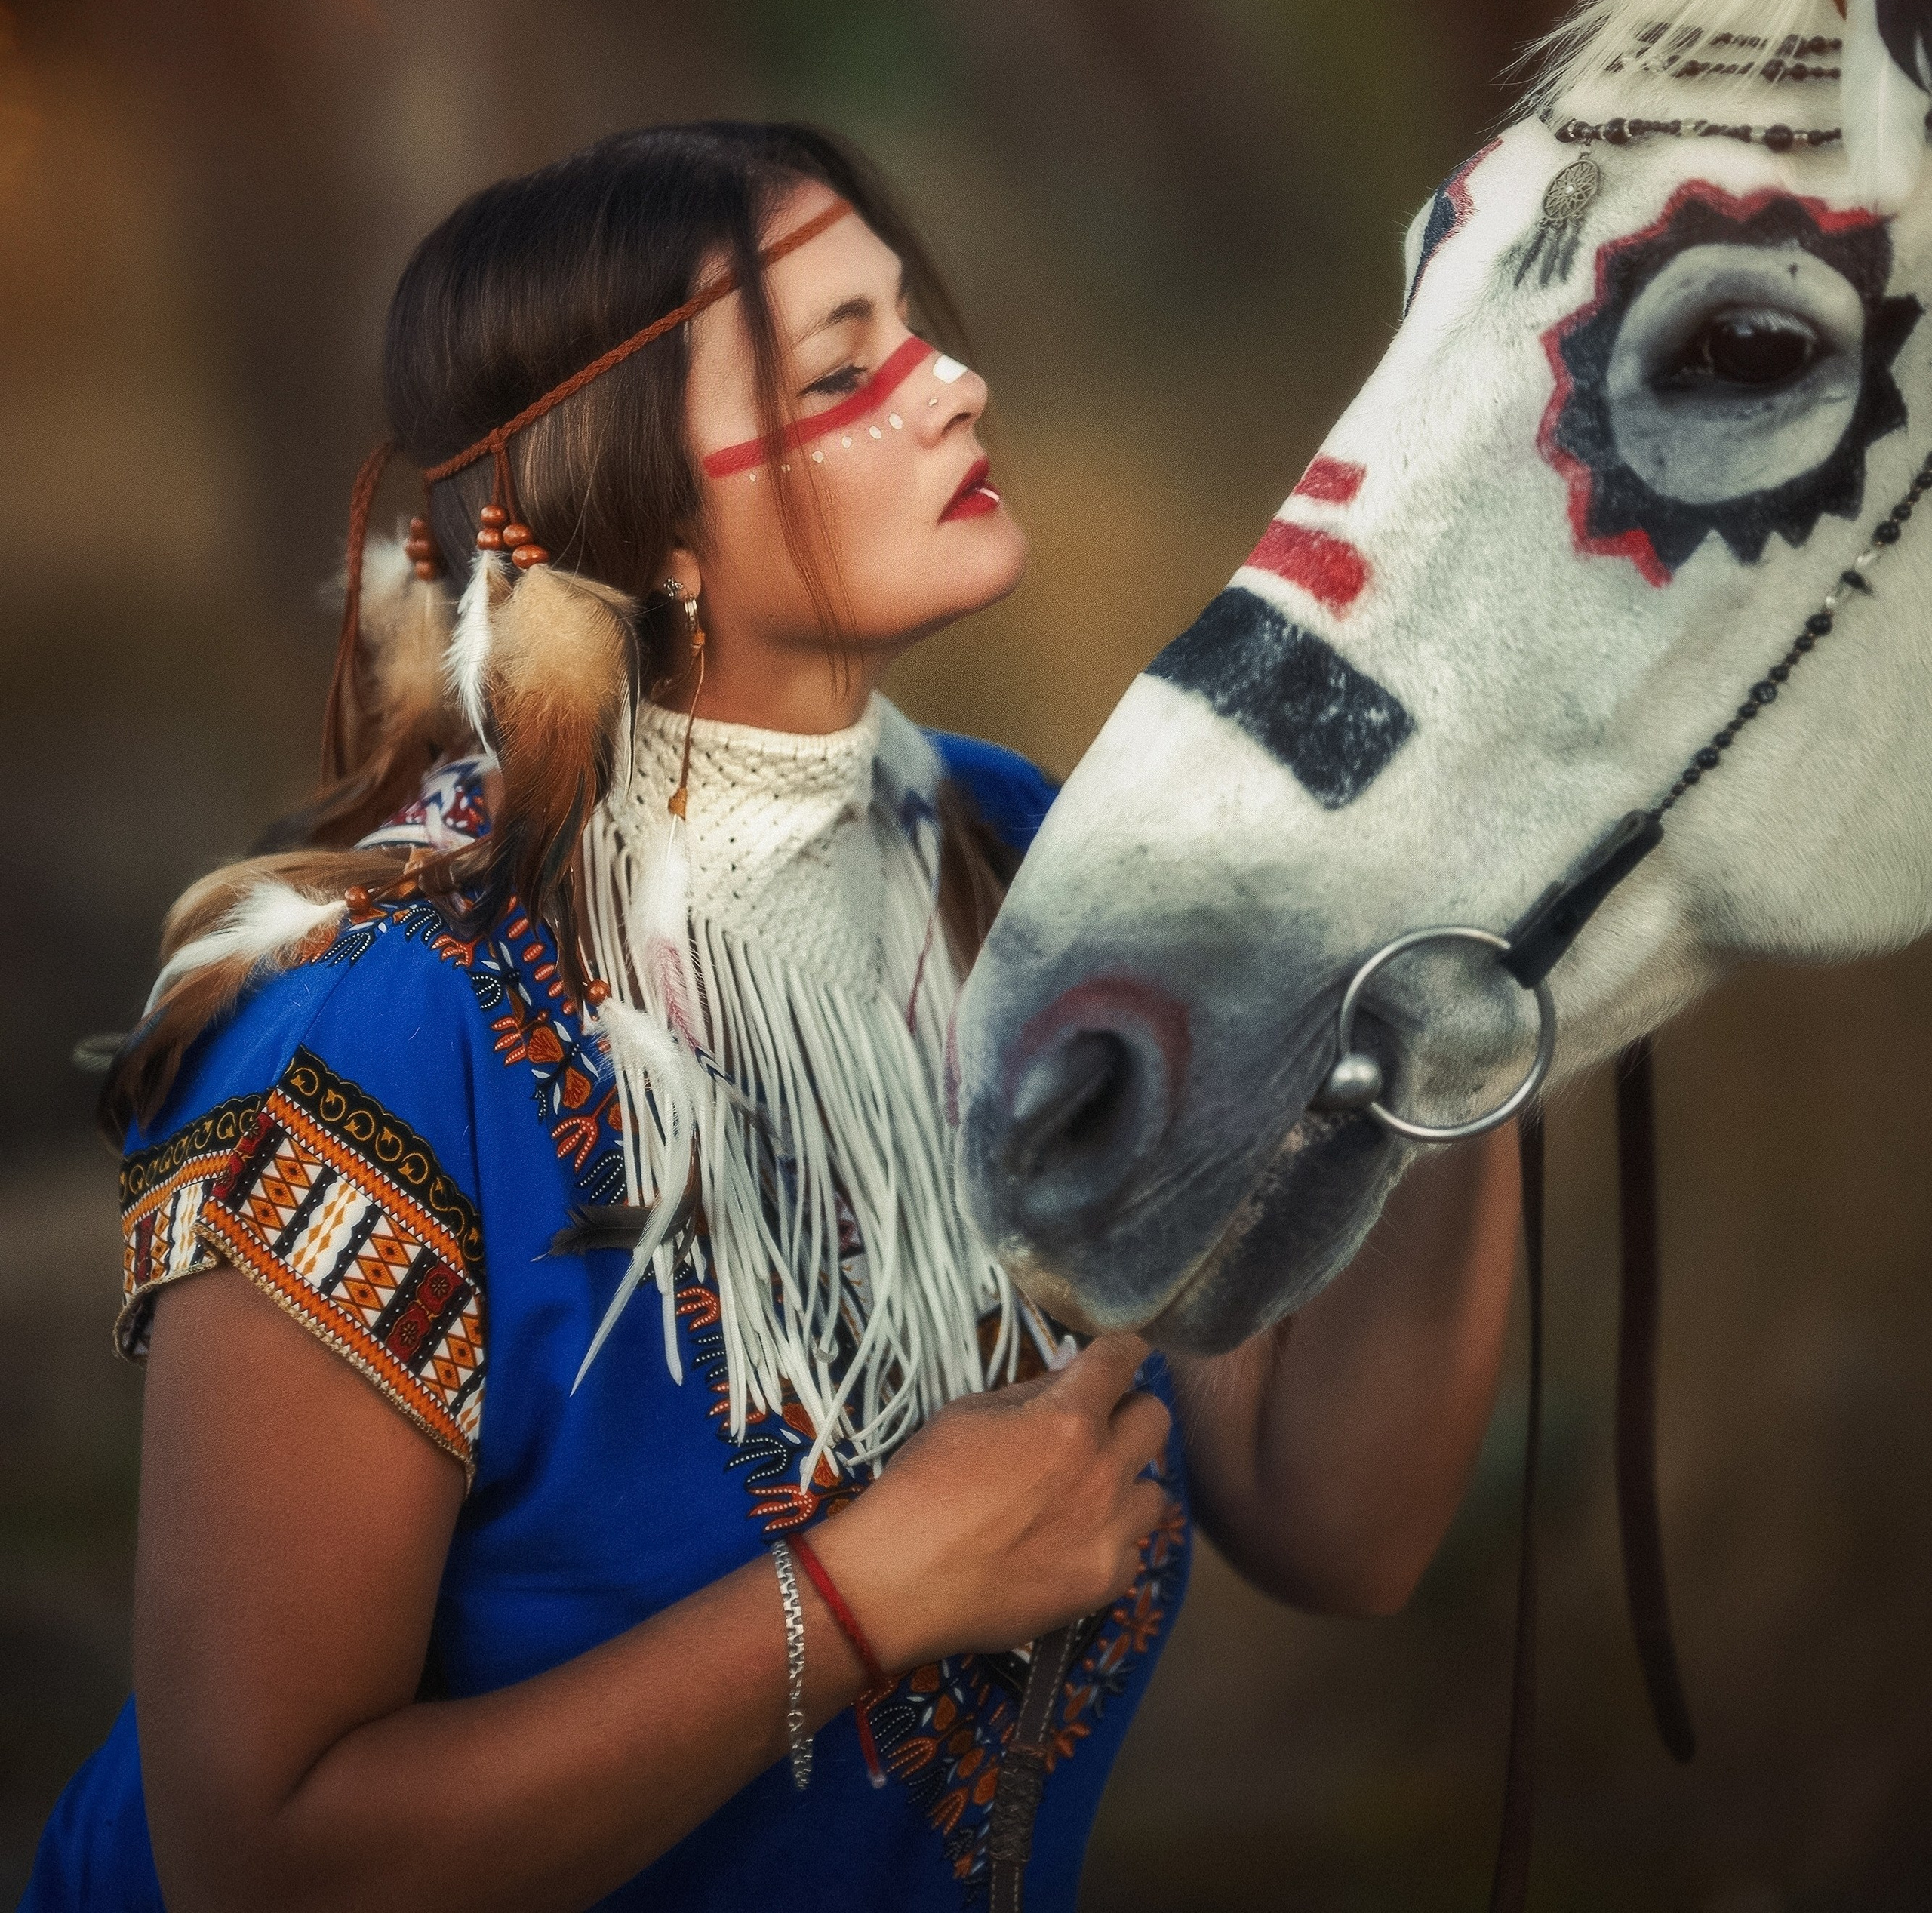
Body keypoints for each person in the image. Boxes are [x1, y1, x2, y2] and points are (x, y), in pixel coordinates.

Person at [26, 123, 1523, 1913]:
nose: (954, 383)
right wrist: (875, 1594)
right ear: (648, 516)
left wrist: (1494, 983)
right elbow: (258, 1863)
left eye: (915, 326)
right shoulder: (368, 1036)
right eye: (846, 366)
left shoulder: (1013, 862)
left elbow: (1329, 1514)